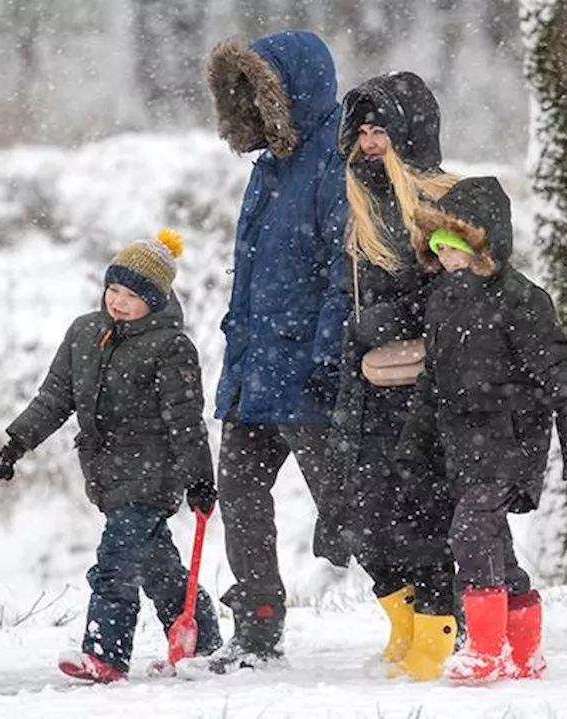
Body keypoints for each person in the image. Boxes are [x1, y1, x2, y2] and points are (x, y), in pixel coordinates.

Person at [0, 229, 222, 684]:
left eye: (133, 296)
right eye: (113, 288)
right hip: (105, 473)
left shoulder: (171, 347)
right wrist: (18, 441)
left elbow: (185, 421)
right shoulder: (84, 332)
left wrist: (199, 478)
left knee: (116, 563)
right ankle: (203, 642)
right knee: (158, 569)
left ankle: (106, 656)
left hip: (153, 473)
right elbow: (55, 397)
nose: (117, 301)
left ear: (155, 302)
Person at [399, 177, 567, 683]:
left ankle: (486, 649)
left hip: (513, 439)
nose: (446, 260)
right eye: (438, 250)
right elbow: (432, 380)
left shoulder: (521, 300)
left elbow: (562, 371)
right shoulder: (443, 301)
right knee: (493, 545)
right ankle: (525, 651)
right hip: (462, 445)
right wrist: (412, 446)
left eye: (455, 248)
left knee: (469, 530)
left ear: (483, 243)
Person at [194, 29, 351, 674]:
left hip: (307, 376)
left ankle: (428, 606)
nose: (253, 112)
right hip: (254, 373)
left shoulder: (335, 165)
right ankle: (257, 626)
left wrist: (326, 360)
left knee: (347, 507)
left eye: (262, 96)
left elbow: (345, 271)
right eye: (246, 101)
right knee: (241, 496)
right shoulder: (265, 171)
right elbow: (253, 274)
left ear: (292, 95)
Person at [331, 71, 460, 681]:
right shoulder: (350, 200)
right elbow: (333, 291)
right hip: (362, 386)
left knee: (420, 512)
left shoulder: (444, 202)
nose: (369, 141)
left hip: (423, 384)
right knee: (364, 519)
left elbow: (458, 287)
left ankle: (440, 624)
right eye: (362, 130)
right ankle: (404, 619)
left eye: (381, 129)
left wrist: (383, 320)